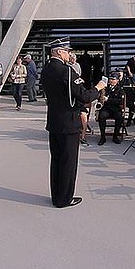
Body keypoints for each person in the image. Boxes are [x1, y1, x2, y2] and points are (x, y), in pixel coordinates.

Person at [42, 37, 102, 208]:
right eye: (68, 51)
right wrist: (98, 88)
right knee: (68, 163)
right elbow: (84, 96)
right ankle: (64, 198)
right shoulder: (67, 71)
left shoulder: (46, 69)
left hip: (54, 121)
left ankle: (56, 196)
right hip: (69, 122)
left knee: (57, 161)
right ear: (60, 52)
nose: (70, 54)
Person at [96, 74, 126, 145]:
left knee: (119, 117)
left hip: (115, 108)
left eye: (113, 79)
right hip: (106, 108)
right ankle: (102, 137)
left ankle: (115, 136)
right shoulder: (105, 88)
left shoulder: (120, 89)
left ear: (117, 80)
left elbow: (120, 101)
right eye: (111, 79)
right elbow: (99, 98)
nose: (112, 81)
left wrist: (108, 99)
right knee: (101, 116)